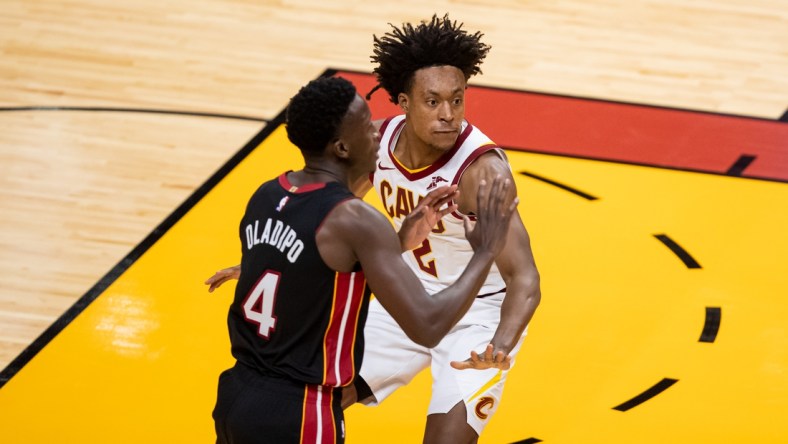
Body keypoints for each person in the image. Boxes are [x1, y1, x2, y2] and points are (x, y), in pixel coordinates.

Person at [210, 76, 517, 444]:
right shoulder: (354, 219)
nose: (377, 134)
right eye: (364, 128)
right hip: (301, 412)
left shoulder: (268, 193)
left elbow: (314, 264)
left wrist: (400, 240)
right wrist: (485, 251)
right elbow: (428, 325)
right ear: (341, 147)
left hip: (236, 397)